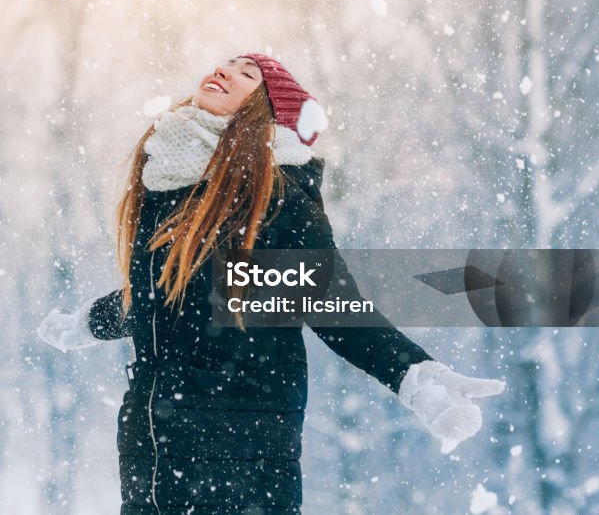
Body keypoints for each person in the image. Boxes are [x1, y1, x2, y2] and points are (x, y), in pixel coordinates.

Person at [37, 53, 505, 514]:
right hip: (153, 449)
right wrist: (89, 323)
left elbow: (327, 302)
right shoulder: (172, 183)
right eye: (227, 64)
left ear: (265, 114)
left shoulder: (274, 195)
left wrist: (412, 374)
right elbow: (169, 297)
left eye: (248, 75)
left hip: (239, 452)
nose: (224, 70)